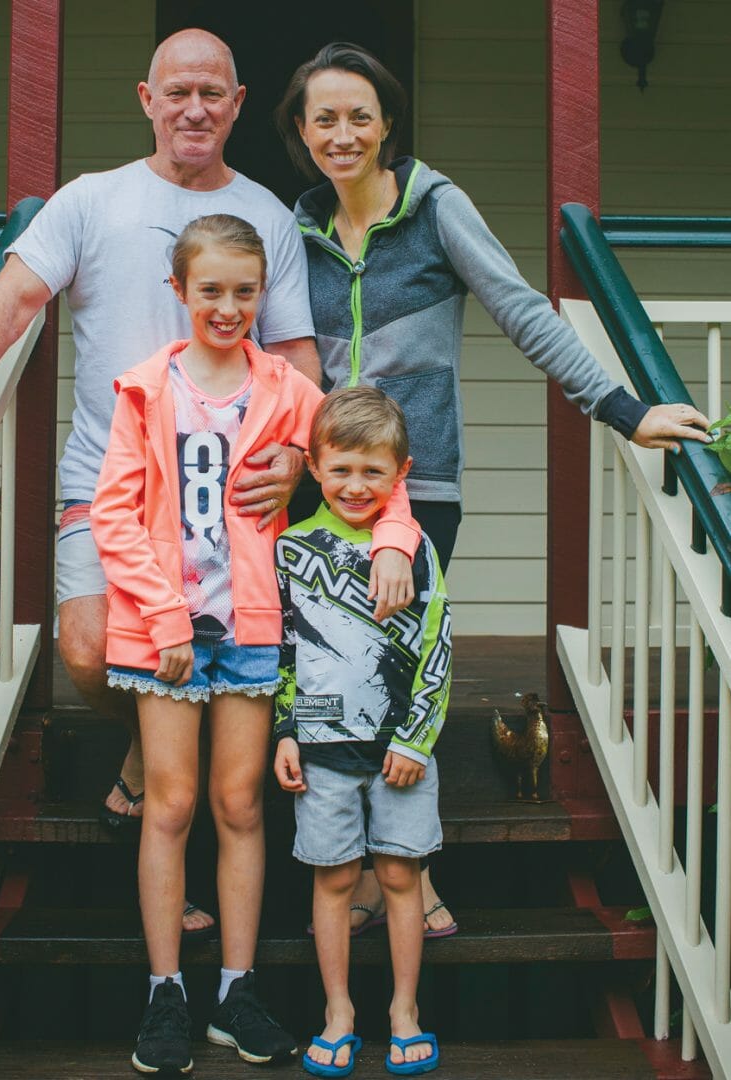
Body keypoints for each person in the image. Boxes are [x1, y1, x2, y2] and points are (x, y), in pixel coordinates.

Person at [0, 28, 324, 934]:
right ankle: (142, 753)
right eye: (176, 92)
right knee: (88, 647)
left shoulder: (267, 216)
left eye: (212, 93)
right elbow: (8, 301)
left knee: (228, 686)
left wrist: (301, 452)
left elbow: (294, 350)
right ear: (146, 99)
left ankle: (181, 839)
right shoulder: (91, 202)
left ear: (237, 104)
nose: (193, 109)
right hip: (113, 483)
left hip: (228, 496)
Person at [274, 39, 713, 942]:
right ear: (300, 130)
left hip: (418, 482)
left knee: (402, 673)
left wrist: (621, 408)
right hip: (320, 495)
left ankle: (411, 877)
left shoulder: (435, 206)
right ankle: (353, 876)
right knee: (331, 674)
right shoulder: (296, 225)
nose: (343, 132)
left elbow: (520, 309)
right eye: (324, 117)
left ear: (388, 123)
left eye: (360, 115)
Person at [88, 214, 420, 1074]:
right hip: (165, 633)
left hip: (252, 625)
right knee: (169, 804)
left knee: (239, 806)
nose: (228, 307)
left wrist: (392, 537)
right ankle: (166, 992)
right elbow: (114, 517)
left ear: (262, 294)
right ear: (180, 292)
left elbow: (378, 465)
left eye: (244, 291)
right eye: (211, 291)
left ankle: (236, 990)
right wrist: (162, 617)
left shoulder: (288, 392)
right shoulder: (145, 389)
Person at [274, 386, 449, 1077]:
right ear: (314, 466)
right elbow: (282, 647)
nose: (355, 485)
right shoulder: (290, 547)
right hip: (320, 750)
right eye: (340, 468)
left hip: (399, 751)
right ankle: (337, 1011)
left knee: (401, 877)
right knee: (334, 881)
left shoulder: (413, 552)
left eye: (372, 472)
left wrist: (414, 739)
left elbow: (435, 644)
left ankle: (404, 1011)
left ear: (398, 474)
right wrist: (284, 730)